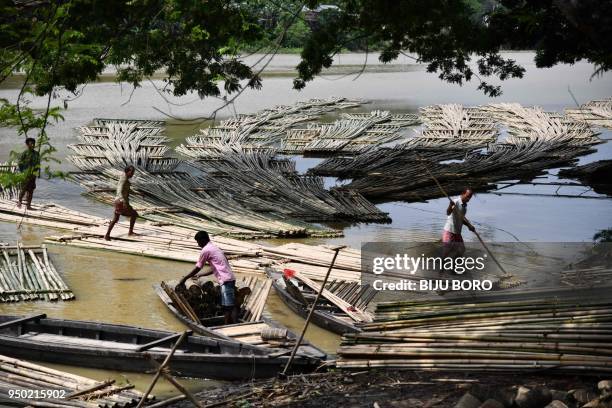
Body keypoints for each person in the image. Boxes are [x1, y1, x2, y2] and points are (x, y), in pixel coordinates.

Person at [177, 231, 237, 324]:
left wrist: (185, 278)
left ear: (203, 240)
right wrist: (201, 275)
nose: (198, 244)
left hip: (226, 280)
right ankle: (231, 325)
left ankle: (230, 327)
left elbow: (198, 267)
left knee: (229, 307)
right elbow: (215, 268)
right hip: (230, 279)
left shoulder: (206, 250)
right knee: (229, 305)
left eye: (198, 242)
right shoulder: (215, 248)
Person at [104, 165, 139, 240]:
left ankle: (107, 235)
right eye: (131, 172)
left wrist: (137, 193)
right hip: (121, 202)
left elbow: (128, 190)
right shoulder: (124, 180)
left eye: (133, 172)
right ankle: (130, 232)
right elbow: (120, 191)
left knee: (115, 219)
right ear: (127, 172)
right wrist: (124, 202)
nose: (132, 174)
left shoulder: (125, 178)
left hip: (118, 201)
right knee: (134, 214)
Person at [442, 188, 476, 258]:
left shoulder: (464, 206)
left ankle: (453, 265)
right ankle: (441, 268)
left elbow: (461, 219)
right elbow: (448, 212)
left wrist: (469, 226)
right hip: (450, 231)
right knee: (447, 251)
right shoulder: (455, 202)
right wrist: (450, 205)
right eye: (467, 196)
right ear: (462, 194)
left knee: (462, 250)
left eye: (470, 197)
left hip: (457, 233)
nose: (468, 199)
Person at [17, 138, 40, 210]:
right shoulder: (25, 153)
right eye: (31, 143)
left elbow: (38, 164)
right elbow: (20, 163)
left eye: (33, 143)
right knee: (23, 189)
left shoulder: (36, 153)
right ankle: (20, 201)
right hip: (25, 174)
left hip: (33, 175)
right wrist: (23, 172)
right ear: (27, 145)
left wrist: (37, 173)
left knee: (31, 190)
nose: (32, 145)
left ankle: (28, 205)